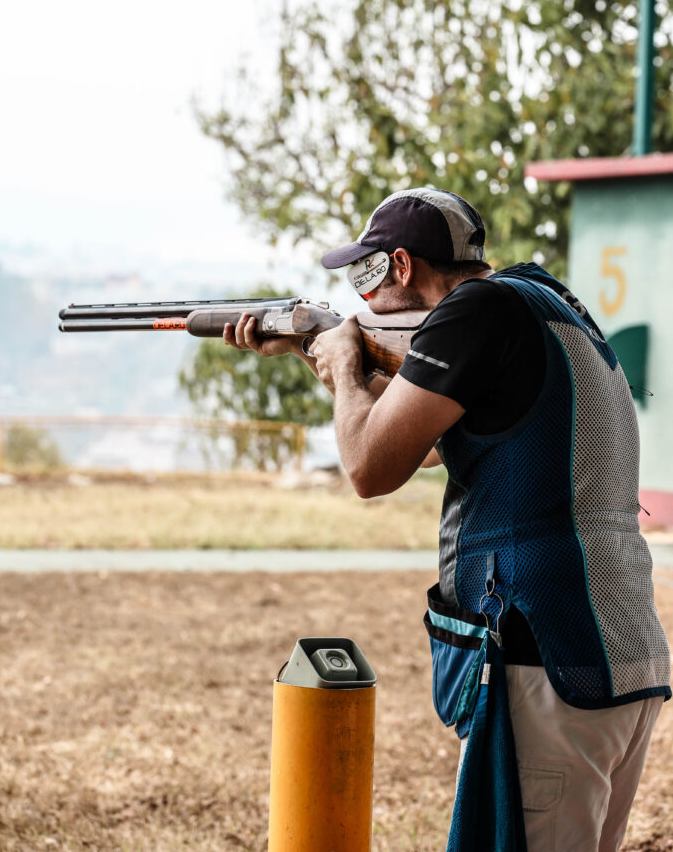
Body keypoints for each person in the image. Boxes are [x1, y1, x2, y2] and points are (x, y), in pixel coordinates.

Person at [224, 186, 670, 852]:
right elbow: (423, 441)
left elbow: (369, 469)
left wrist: (346, 368)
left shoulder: (472, 313)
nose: (362, 296)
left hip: (539, 656)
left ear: (402, 267)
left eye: (366, 274)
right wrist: (317, 358)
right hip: (613, 654)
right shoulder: (538, 302)